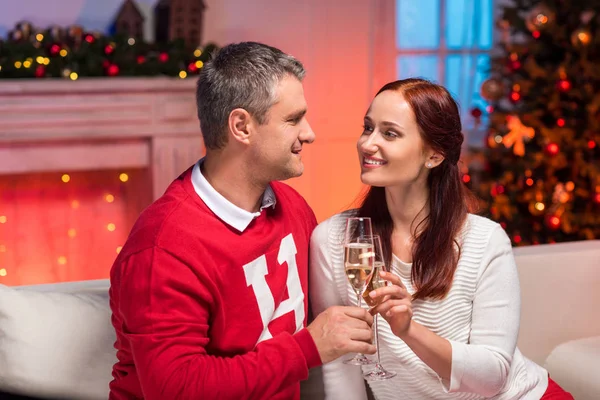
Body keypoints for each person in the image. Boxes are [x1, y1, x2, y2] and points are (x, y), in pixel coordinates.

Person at [108, 41, 376, 400]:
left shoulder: (292, 208)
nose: (309, 133)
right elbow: (176, 388)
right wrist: (306, 348)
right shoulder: (163, 247)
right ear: (241, 126)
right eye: (293, 119)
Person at [309, 78, 574, 399]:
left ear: (434, 156)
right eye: (368, 128)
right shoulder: (335, 239)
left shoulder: (484, 239)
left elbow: (494, 378)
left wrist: (409, 330)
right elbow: (342, 362)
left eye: (389, 133)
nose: (367, 143)